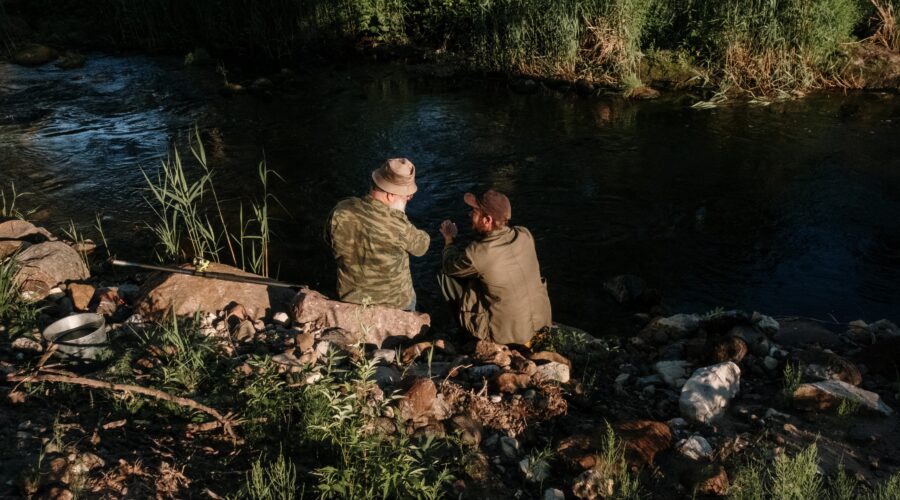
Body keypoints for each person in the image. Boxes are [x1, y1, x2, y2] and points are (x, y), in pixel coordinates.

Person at [438, 189, 552, 345]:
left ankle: (467, 337)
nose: (470, 215)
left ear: (487, 220)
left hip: (509, 338)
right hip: (542, 326)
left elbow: (449, 265)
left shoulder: (478, 253)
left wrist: (449, 240)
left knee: (445, 275)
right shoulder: (525, 234)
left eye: (474, 211)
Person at [328, 158, 430, 311]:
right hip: (396, 304)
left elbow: (328, 239)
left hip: (350, 299)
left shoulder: (341, 209)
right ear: (390, 195)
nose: (409, 198)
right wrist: (400, 215)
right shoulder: (399, 225)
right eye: (407, 196)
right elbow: (422, 246)